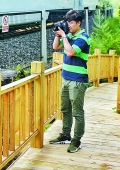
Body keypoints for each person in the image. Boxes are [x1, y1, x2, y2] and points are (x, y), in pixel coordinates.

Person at [49, 9, 90, 153]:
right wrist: (57, 34)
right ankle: (65, 135)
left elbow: (70, 51)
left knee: (77, 112)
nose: (69, 25)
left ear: (79, 23)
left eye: (71, 22)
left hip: (78, 81)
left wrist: (64, 36)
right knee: (65, 109)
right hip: (66, 78)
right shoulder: (69, 35)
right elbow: (55, 47)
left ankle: (76, 140)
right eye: (67, 22)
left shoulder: (83, 38)